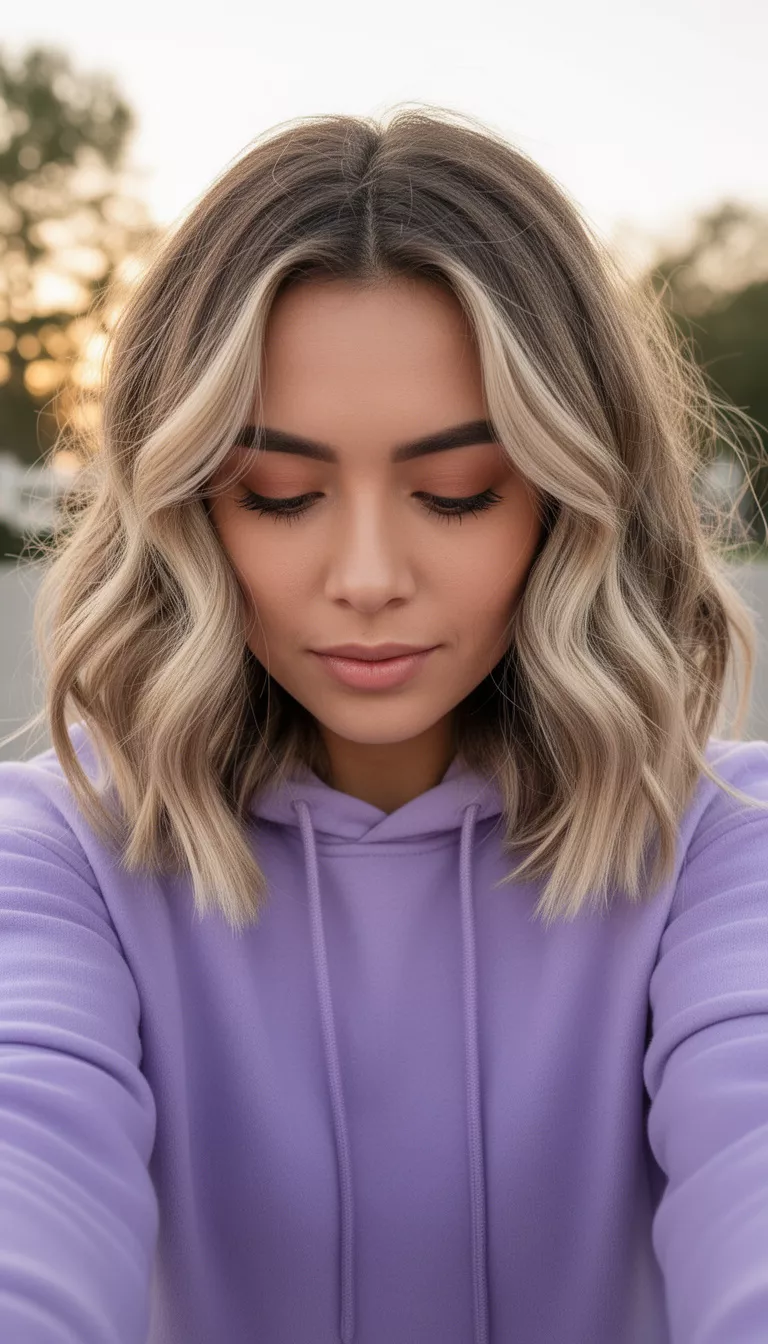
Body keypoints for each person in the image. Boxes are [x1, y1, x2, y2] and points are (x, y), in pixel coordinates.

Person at [1, 105, 767, 1344]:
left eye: (458, 494)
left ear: (574, 502)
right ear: (188, 505)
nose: (365, 575)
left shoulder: (726, 849)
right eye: (281, 493)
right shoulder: (58, 859)